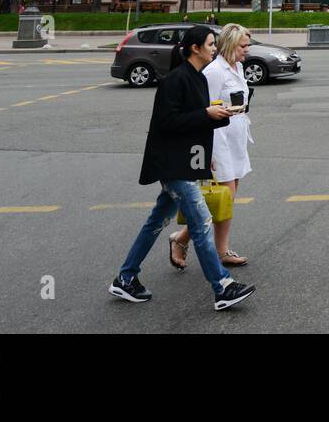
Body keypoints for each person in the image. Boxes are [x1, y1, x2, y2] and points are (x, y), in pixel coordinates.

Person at [109, 26, 255, 311]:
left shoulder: (197, 78)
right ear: (195, 48)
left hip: (186, 160)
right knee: (201, 222)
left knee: (155, 223)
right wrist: (206, 114)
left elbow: (196, 122)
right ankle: (223, 286)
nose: (215, 48)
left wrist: (210, 136)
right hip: (171, 162)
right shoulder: (175, 80)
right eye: (211, 44)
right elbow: (167, 123)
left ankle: (125, 278)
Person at [170, 24, 253, 268]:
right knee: (225, 196)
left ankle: (182, 238)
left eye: (247, 45)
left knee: (226, 196)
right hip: (218, 139)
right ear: (229, 45)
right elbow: (202, 109)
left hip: (236, 136)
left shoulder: (237, 66)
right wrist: (205, 150)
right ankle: (220, 251)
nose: (246, 50)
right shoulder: (215, 71)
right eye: (242, 46)